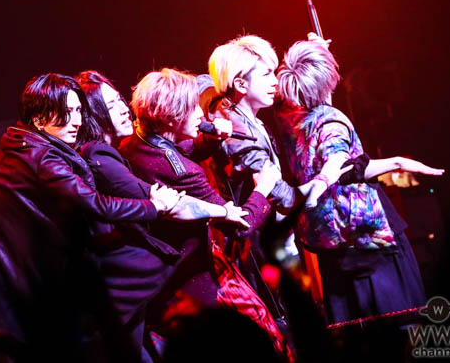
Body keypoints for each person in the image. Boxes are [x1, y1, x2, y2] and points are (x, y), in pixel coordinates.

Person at [0, 73, 182, 362]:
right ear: (38, 118)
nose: (77, 121)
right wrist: (154, 206)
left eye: (78, 110)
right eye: (66, 112)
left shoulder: (25, 145)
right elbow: (92, 203)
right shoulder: (39, 156)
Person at [118, 68, 310, 359]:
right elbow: (241, 225)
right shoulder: (186, 173)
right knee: (262, 339)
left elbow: (176, 149)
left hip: (159, 279)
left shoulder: (133, 145)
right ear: (170, 117)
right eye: (192, 108)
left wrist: (210, 141)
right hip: (194, 280)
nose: (201, 113)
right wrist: (263, 188)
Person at [76, 70, 250, 362]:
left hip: (140, 286)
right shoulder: (99, 156)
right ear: (95, 115)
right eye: (111, 104)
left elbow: (177, 153)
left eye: (120, 99)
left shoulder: (127, 146)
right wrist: (229, 208)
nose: (124, 108)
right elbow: (167, 202)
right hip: (126, 288)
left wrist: (208, 142)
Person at [272, 35, 444, 323]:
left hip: (327, 239)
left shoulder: (287, 116)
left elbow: (294, 81)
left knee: (352, 329)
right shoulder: (331, 122)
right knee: (398, 321)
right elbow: (341, 164)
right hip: (366, 240)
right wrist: (397, 163)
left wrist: (317, 52)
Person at [204, 35, 351, 321]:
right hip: (261, 248)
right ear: (241, 84)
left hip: (272, 240)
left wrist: (316, 56)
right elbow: (282, 198)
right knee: (288, 324)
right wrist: (323, 179)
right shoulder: (238, 133)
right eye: (266, 74)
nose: (276, 81)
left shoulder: (241, 113)